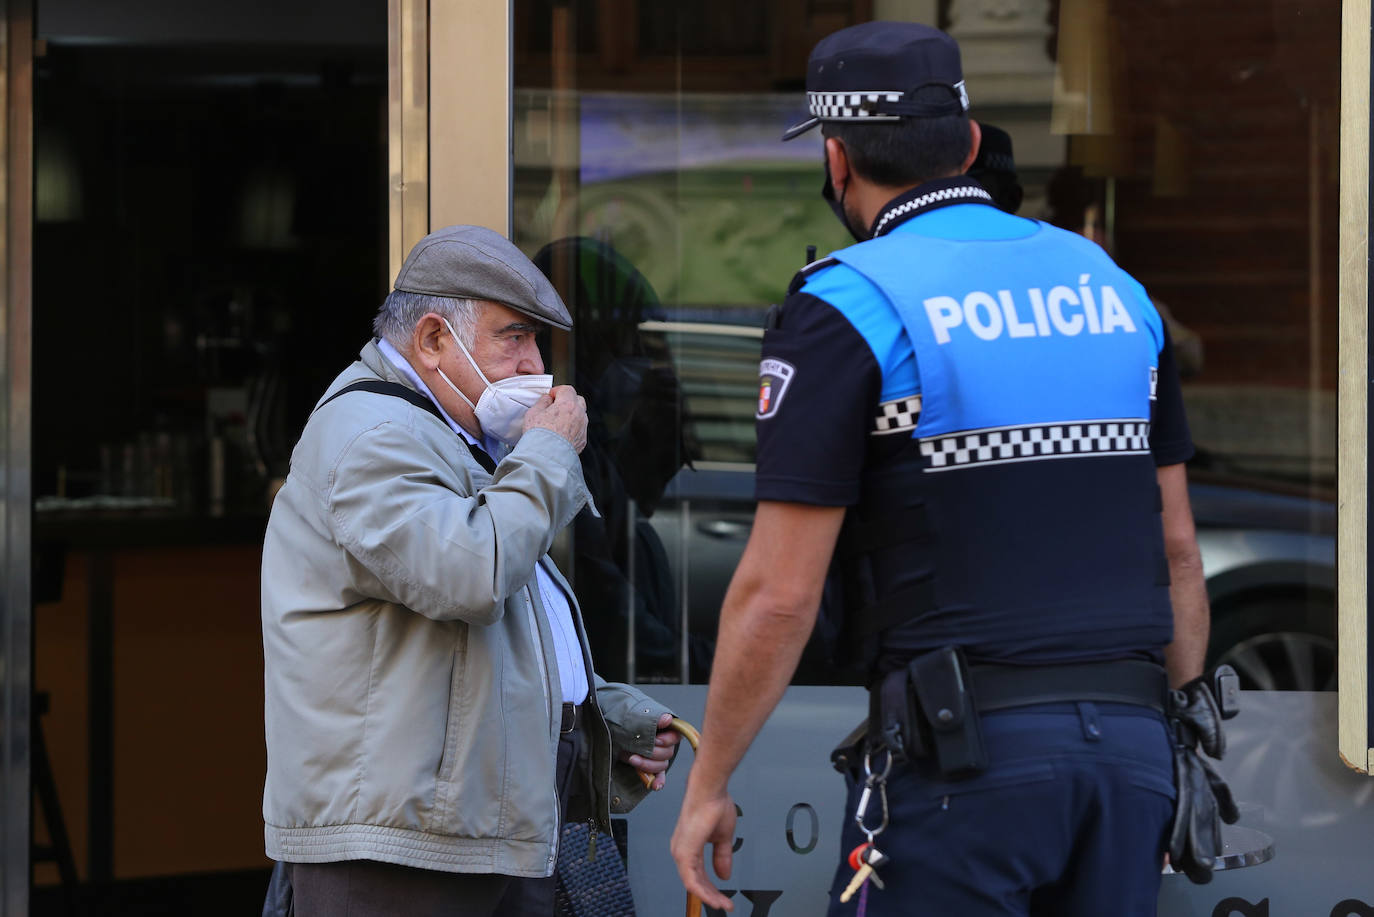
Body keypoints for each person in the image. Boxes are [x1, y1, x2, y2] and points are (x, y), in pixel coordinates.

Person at [671, 21, 1226, 916]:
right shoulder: (1113, 288)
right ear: (968, 142)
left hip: (960, 763)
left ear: (837, 157)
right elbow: (1177, 552)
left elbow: (778, 594)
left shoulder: (847, 305)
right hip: (1129, 759)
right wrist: (1182, 742)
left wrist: (711, 780)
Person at [261, 224, 681, 917]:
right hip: (400, 852)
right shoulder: (373, 435)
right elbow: (471, 574)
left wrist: (599, 715)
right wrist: (549, 453)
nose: (534, 364)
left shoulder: (451, 436)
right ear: (432, 340)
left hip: (461, 833)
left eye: (535, 340)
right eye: (513, 337)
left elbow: (491, 641)